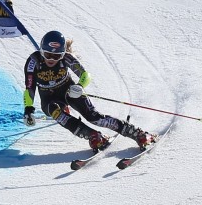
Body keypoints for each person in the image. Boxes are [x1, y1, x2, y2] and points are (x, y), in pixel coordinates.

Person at [23, 30, 157, 152]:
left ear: (62, 54)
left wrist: (80, 86)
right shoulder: (33, 62)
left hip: (68, 91)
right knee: (56, 112)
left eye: (56, 56)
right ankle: (93, 136)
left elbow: (85, 75)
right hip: (49, 98)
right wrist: (28, 109)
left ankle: (137, 133)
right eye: (47, 54)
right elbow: (30, 87)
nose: (51, 59)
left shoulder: (67, 58)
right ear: (41, 51)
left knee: (94, 117)